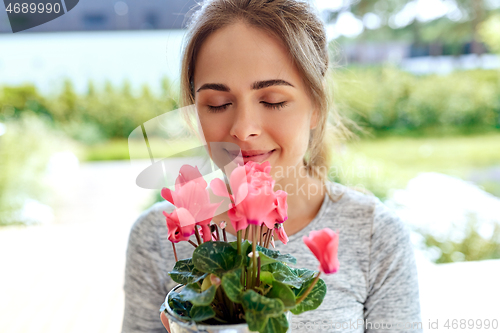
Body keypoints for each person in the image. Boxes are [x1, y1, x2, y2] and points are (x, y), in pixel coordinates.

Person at [122, 0, 423, 332]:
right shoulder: (156, 238)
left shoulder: (373, 235)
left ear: (316, 106)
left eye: (272, 101)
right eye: (218, 104)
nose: (243, 128)